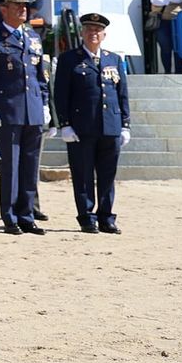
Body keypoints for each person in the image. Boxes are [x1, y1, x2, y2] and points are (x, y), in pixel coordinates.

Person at [0, 0, 50, 235]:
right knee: (11, 167)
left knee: (30, 166)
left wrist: (45, 104)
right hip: (8, 111)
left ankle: (27, 215)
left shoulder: (33, 37)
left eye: (25, 5)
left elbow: (40, 76)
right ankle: (10, 217)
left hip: (33, 110)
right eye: (17, 5)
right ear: (3, 9)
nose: (23, 9)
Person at [53, 12, 130, 234]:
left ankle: (106, 217)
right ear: (82, 33)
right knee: (83, 175)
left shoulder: (113, 59)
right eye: (88, 29)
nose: (93, 33)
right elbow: (61, 94)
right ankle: (87, 217)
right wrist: (64, 123)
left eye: (97, 30)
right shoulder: (70, 59)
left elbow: (122, 93)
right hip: (82, 127)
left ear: (104, 35)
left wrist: (125, 124)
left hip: (110, 125)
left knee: (107, 175)